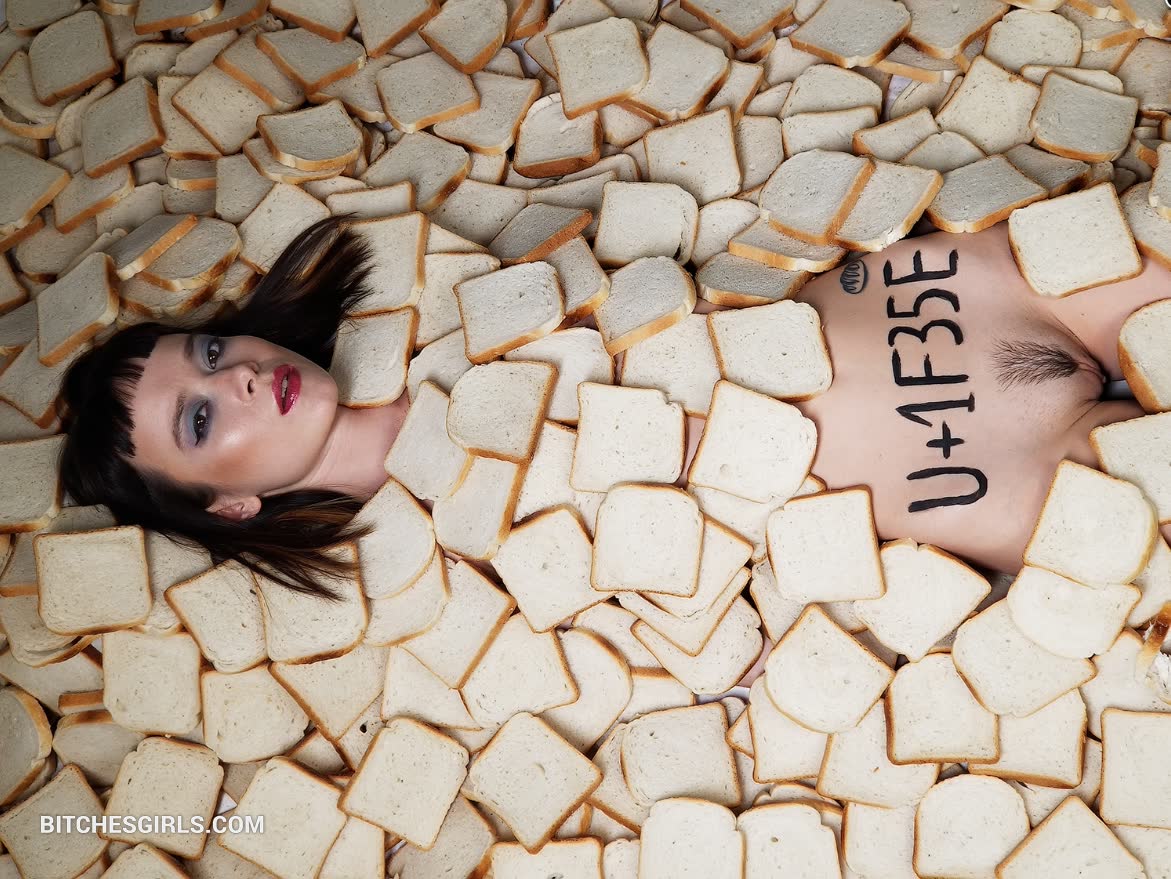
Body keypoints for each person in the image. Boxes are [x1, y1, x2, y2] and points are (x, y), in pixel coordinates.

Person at [57, 211, 1171, 612]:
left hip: (952, 295)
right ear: (231, 505)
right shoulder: (432, 581)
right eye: (198, 421)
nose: (237, 380)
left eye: (210, 352)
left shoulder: (444, 286)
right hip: (978, 480)